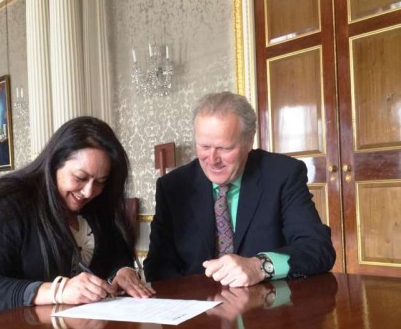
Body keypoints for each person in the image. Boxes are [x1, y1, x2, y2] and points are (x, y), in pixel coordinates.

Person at [0, 116, 155, 319]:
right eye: (80, 178)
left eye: (100, 182)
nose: (88, 191)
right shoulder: (8, 202)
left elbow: (117, 255)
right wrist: (59, 290)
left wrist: (123, 272)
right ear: (55, 163)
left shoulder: (96, 206)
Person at [143, 91, 335, 287]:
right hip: (198, 309)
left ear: (249, 141)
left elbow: (318, 249)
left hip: (267, 307)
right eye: (204, 146)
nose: (213, 159)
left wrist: (259, 266)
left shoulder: (282, 175)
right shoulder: (173, 186)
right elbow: (157, 266)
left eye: (224, 148)